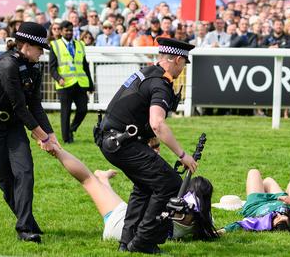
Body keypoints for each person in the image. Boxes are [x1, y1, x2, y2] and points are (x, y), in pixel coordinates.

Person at [97, 37, 198, 254]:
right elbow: (157, 123)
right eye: (183, 64)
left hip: (114, 140)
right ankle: (144, 241)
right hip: (123, 143)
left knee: (144, 186)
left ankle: (128, 240)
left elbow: (137, 109)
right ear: (178, 60)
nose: (183, 69)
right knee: (170, 183)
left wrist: (151, 142)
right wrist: (183, 155)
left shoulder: (147, 72)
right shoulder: (161, 83)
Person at [0, 22, 59, 243]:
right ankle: (27, 222)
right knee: (7, 181)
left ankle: (24, 228)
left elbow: (34, 104)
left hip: (12, 127)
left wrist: (51, 133)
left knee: (25, 173)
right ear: (26, 46)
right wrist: (43, 137)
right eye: (39, 49)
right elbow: (20, 106)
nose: (41, 53)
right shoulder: (7, 66)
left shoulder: (34, 67)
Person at [49, 139, 218, 241]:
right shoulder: (202, 219)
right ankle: (104, 179)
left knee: (88, 180)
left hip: (125, 227)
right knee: (117, 202)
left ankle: (57, 149)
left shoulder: (178, 204)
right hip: (129, 227)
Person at [49, 20, 94, 143]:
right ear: (61, 31)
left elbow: (85, 66)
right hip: (64, 84)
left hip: (80, 83)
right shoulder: (55, 45)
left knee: (83, 109)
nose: (69, 32)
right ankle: (66, 139)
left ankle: (72, 129)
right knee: (66, 112)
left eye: (70, 30)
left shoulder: (80, 45)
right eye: (66, 30)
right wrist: (58, 78)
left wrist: (90, 84)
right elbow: (52, 67)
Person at [221, 169, 290, 233]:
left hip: (257, 204)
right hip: (282, 201)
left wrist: (220, 231)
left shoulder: (263, 223)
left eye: (278, 219)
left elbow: (240, 225)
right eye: (284, 217)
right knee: (271, 180)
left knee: (253, 172)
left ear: (273, 225)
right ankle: (267, 189)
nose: (280, 215)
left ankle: (264, 190)